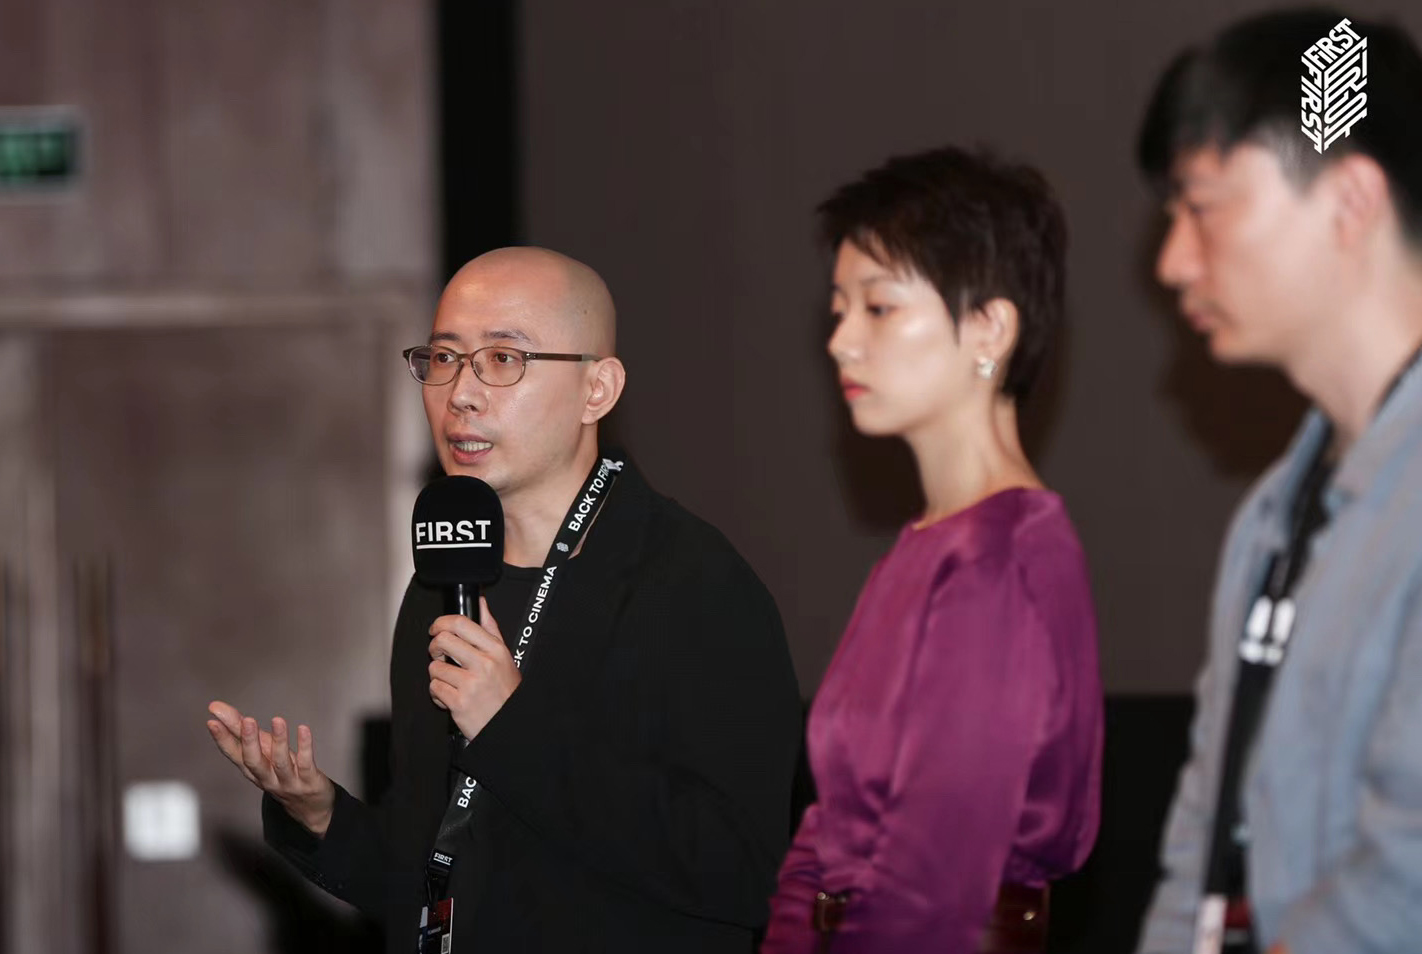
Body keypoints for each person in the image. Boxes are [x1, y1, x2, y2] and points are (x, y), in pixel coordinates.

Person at [206, 246, 803, 953]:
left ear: (597, 390)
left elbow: (740, 870)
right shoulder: (442, 584)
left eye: (502, 359)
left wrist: (510, 726)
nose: (460, 392)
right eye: (444, 357)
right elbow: (432, 873)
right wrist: (319, 815)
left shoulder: (693, 583)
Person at [761, 146, 1103, 953]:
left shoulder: (998, 560)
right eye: (839, 309)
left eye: (878, 307)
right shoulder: (921, 548)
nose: (841, 341)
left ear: (989, 327)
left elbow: (929, 893)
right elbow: (828, 831)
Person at [1133, 10, 1422, 954]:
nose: (1173, 261)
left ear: (1350, 200)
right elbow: (1199, 851)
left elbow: (1404, 882)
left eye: (1202, 206)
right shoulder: (1272, 515)